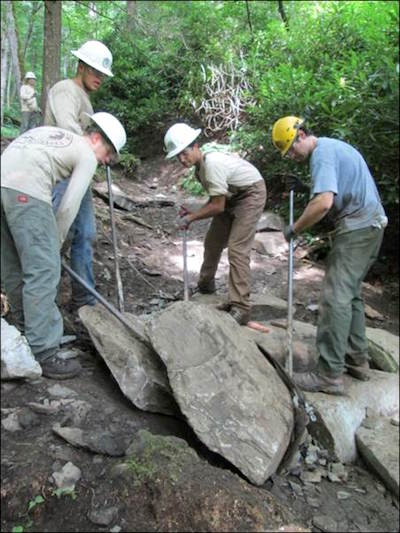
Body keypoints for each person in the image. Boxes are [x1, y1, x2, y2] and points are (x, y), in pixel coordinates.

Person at [1, 112, 127, 380]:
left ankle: (25, 329)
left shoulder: (55, 136)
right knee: (44, 270)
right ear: (95, 138)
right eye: (108, 153)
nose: (106, 161)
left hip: (3, 182)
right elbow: (70, 205)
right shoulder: (86, 153)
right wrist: (54, 244)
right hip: (27, 191)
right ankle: (43, 351)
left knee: (13, 264)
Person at [272, 116, 388, 395]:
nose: (290, 157)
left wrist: (294, 228)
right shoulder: (332, 148)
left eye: (290, 149)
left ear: (300, 135)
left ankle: (329, 375)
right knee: (351, 294)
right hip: (372, 226)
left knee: (334, 297)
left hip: (358, 228)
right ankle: (357, 359)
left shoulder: (322, 154)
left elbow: (324, 202)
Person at [164, 123, 267, 326]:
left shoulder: (212, 165)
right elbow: (216, 201)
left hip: (250, 194)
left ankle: (241, 307)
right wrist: (194, 213)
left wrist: (191, 218)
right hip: (231, 196)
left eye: (184, 153)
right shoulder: (199, 170)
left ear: (195, 147)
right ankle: (206, 286)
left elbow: (217, 207)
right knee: (213, 242)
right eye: (178, 157)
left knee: (237, 249)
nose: (182, 160)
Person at [44, 40, 114, 308]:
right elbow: (67, 129)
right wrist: (94, 148)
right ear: (81, 66)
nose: (100, 78)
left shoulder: (85, 99)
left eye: (103, 75)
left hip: (79, 175)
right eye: (95, 72)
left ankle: (84, 297)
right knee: (53, 233)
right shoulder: (66, 90)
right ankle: (42, 294)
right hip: (60, 173)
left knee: (85, 233)